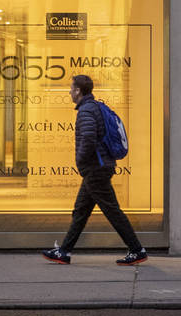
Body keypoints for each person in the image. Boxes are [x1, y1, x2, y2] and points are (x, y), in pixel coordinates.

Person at [41, 73, 147, 265]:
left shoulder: (86, 111)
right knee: (81, 210)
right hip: (97, 168)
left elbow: (88, 139)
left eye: (71, 88)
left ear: (78, 91)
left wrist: (80, 160)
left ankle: (137, 249)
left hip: (95, 169)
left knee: (112, 211)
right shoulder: (94, 107)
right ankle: (64, 251)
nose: (69, 92)